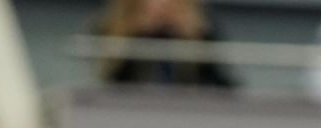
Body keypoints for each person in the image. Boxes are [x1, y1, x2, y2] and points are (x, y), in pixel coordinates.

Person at [95, 0, 234, 89]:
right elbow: (110, 83)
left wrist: (196, 39)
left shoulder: (201, 28)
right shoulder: (112, 27)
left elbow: (221, 83)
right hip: (127, 112)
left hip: (185, 111)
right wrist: (139, 35)